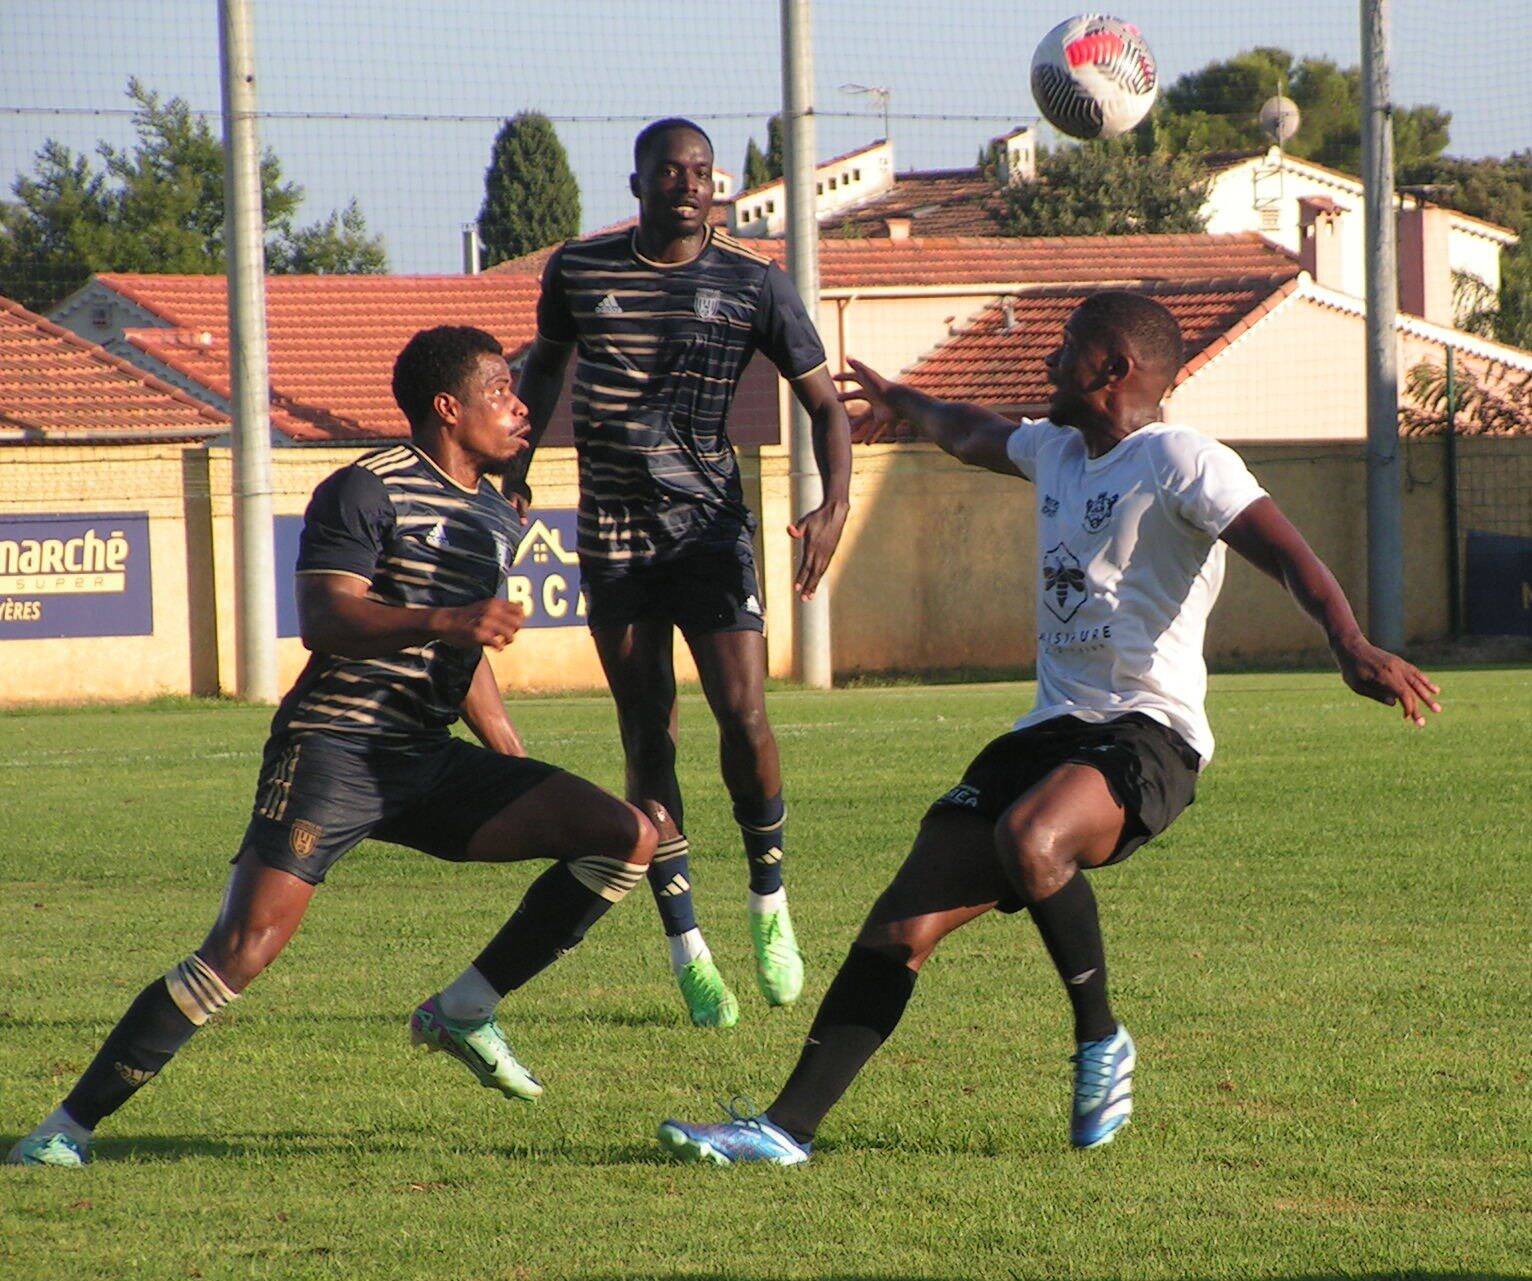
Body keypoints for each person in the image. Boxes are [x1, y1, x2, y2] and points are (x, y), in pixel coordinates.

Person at [655, 291, 1442, 1164]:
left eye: (1065, 346)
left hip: (1149, 734)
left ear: (1114, 367)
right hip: (1049, 730)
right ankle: (784, 1130)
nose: (1045, 361)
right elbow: (970, 430)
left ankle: (1101, 1039)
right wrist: (903, 404)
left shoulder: (1183, 459)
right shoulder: (1059, 450)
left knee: (1032, 836)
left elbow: (1288, 552)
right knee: (896, 927)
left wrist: (1350, 643)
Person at [8, 326, 659, 1168]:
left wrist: (504, 748)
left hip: (423, 758)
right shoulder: (363, 489)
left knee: (624, 835)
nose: (521, 405)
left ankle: (464, 1007)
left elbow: (460, 659)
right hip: (333, 751)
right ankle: (65, 1127)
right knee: (242, 948)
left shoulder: (497, 511)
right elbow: (326, 617)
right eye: (501, 390)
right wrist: (446, 618)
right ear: (448, 407)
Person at [508, 117, 853, 1028]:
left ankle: (769, 902)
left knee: (744, 712)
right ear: (637, 183)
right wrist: (512, 473)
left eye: (702, 171)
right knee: (646, 732)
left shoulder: (753, 283)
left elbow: (826, 403)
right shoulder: (579, 272)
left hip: (710, 533)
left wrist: (836, 501)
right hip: (614, 535)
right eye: (672, 171)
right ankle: (687, 947)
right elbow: (541, 374)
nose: (690, 184)